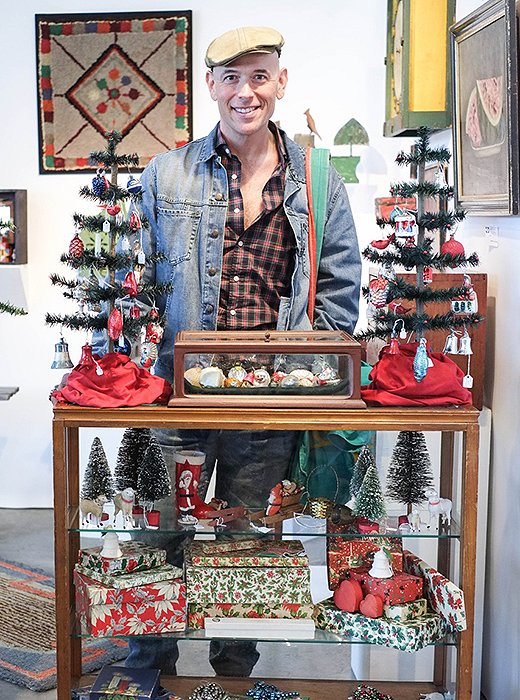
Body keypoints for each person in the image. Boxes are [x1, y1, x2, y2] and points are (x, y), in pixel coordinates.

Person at [125, 25, 361, 677]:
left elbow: (342, 278)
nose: (245, 91)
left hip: (269, 403)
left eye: (259, 75)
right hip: (177, 399)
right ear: (210, 87)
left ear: (280, 83)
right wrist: (136, 367)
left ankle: (232, 673)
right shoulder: (165, 172)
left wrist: (308, 368)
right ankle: (149, 667)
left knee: (248, 544)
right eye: (231, 77)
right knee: (157, 538)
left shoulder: (318, 177)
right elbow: (134, 279)